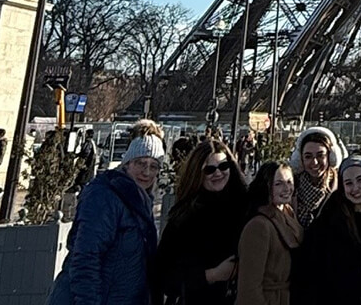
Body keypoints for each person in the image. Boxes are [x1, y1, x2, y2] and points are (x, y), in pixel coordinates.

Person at [49, 127, 164, 305]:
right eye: (140, 163)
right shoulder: (105, 196)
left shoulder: (140, 200)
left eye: (153, 166)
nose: (146, 172)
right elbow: (86, 259)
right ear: (127, 163)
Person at [155, 140, 248, 305]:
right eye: (209, 169)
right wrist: (211, 275)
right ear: (197, 173)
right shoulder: (185, 216)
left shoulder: (245, 207)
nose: (218, 173)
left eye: (223, 166)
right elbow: (163, 276)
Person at [295, 156, 361, 305]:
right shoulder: (329, 218)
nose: (355, 188)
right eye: (348, 183)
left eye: (360, 180)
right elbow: (311, 269)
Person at [237, 162, 302, 305]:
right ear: (266, 186)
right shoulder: (258, 226)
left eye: (289, 182)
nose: (287, 188)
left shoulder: (288, 214)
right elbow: (249, 287)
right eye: (278, 184)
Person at [290, 127, 345, 229]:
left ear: (331, 157)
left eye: (320, 155)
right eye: (308, 156)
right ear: (300, 159)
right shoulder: (290, 188)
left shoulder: (342, 188)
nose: (314, 162)